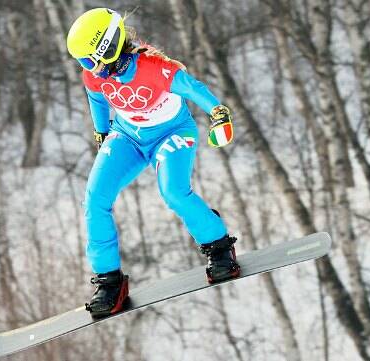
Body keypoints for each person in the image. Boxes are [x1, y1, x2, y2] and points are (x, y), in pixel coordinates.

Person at [66, 8, 240, 318]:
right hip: (127, 137)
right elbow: (96, 97)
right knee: (94, 199)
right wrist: (102, 132)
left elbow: (192, 87)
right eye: (82, 63)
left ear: (107, 48)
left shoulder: (152, 67)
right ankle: (110, 282)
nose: (87, 69)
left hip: (172, 133)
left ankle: (218, 246)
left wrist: (219, 115)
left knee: (173, 192)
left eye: (89, 60)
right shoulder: (94, 75)